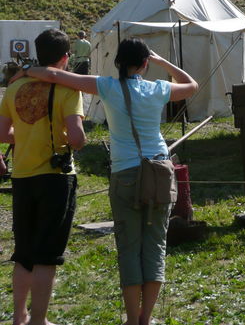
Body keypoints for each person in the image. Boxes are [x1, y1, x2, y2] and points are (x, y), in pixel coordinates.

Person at [15, 38, 198, 325]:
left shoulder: (108, 86)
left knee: (128, 246)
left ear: (117, 62)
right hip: (160, 172)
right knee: (155, 247)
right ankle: (145, 319)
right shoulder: (157, 89)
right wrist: (162, 62)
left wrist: (25, 71)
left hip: (125, 172)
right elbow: (191, 85)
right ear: (145, 63)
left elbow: (54, 74)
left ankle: (131, 318)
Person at [0, 28, 86, 325]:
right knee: (47, 254)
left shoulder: (14, 87)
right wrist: (77, 140)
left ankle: (19, 315)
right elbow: (76, 137)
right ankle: (39, 320)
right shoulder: (67, 89)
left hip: (22, 176)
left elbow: (2, 133)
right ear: (65, 57)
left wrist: (24, 136)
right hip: (55, 177)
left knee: (23, 251)